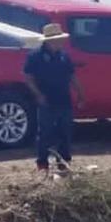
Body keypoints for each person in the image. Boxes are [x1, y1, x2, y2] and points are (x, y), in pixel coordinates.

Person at [24, 23, 85, 172]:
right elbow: (28, 77)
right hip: (46, 100)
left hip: (63, 98)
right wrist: (38, 95)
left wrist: (80, 94)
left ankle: (63, 162)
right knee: (45, 132)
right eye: (58, 39)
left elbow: (72, 76)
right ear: (50, 40)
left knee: (65, 131)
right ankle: (42, 163)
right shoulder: (35, 56)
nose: (61, 42)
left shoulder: (64, 56)